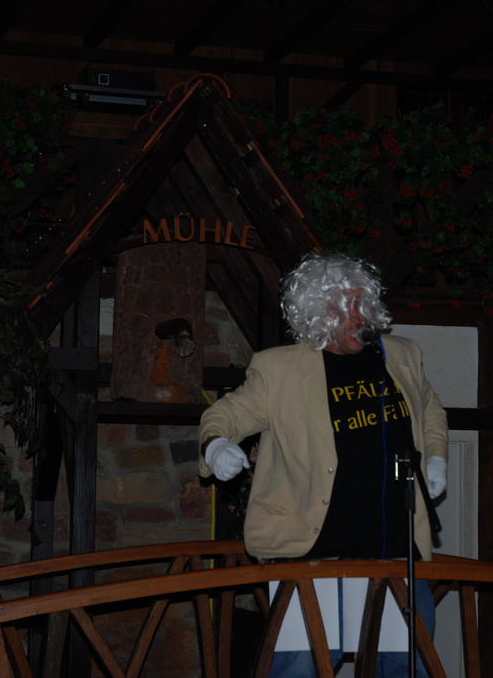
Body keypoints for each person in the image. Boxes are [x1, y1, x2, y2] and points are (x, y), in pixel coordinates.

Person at [198, 252, 449, 677]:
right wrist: (216, 446)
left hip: (395, 553)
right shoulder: (279, 368)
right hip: (312, 555)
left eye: (362, 304)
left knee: (409, 667)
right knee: (300, 669)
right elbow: (226, 415)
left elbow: (428, 407)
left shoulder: (401, 355)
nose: (358, 317)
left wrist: (437, 456)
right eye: (344, 307)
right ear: (315, 312)